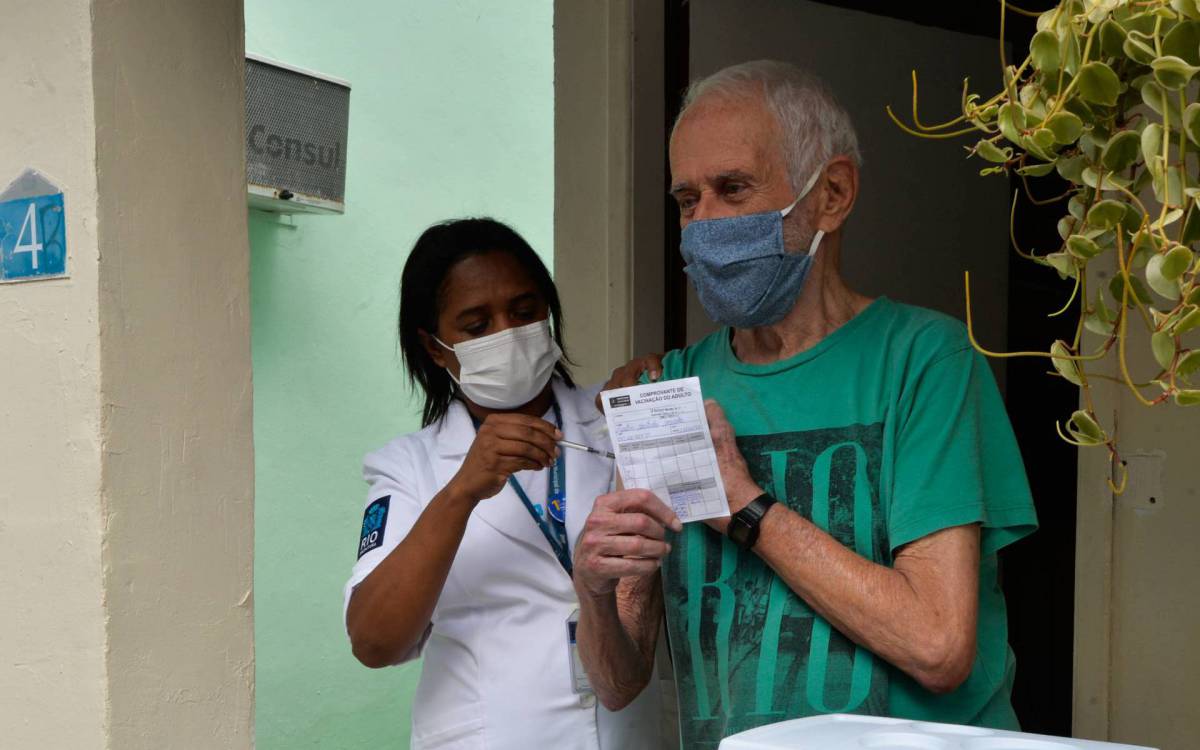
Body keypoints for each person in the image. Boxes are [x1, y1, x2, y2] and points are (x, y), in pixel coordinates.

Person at [574, 60, 1039, 748]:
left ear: (833, 194)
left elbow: (938, 646)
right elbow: (619, 683)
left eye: (732, 189)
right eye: (686, 200)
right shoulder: (666, 392)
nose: (703, 223)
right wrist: (593, 586)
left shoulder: (923, 360)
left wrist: (747, 508)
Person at [343, 218, 661, 750]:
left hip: (626, 730)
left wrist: (656, 397)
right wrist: (462, 489)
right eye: (475, 325)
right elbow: (374, 642)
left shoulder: (614, 419)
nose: (506, 334)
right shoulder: (410, 467)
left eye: (524, 311)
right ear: (436, 348)